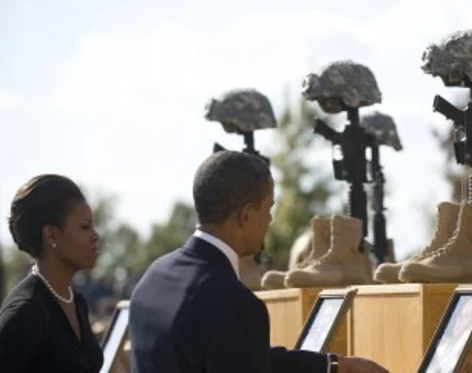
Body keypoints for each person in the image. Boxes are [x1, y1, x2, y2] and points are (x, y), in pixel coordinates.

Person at [129, 151, 388, 373]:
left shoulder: (153, 278)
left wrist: (332, 366)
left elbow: (230, 352)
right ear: (246, 215)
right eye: (269, 209)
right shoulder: (235, 304)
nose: (270, 221)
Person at [0, 174, 103, 372]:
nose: (95, 236)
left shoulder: (77, 303)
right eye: (84, 226)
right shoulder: (25, 312)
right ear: (52, 235)